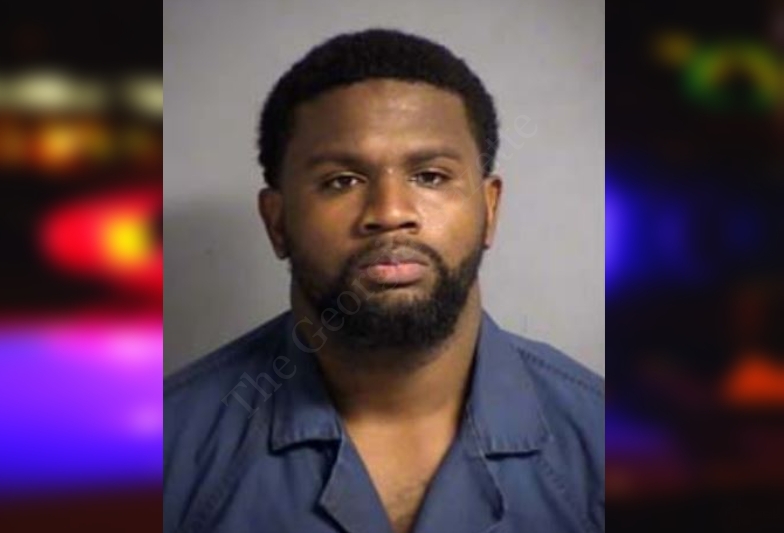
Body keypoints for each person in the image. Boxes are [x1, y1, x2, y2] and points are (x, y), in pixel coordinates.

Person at [164, 28, 604, 533]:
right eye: (341, 181)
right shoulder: (165, 453)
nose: (391, 212)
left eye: (431, 176)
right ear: (277, 222)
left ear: (489, 208)